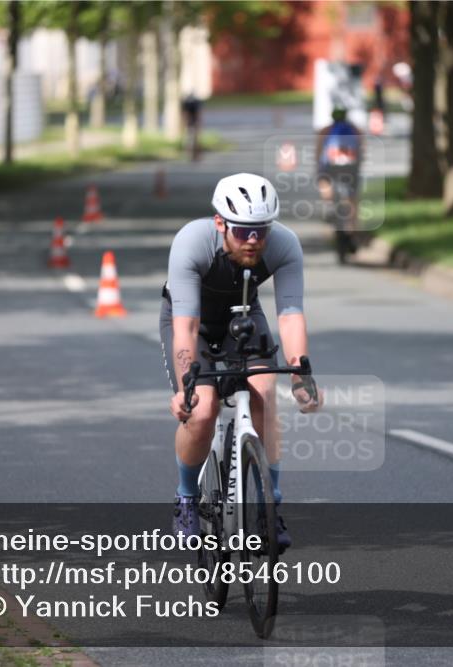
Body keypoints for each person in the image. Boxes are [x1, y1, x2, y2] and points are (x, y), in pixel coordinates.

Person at [161, 173, 322, 549]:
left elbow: (290, 315)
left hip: (243, 317)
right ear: (220, 223)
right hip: (191, 321)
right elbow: (186, 327)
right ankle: (186, 497)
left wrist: (302, 376)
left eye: (261, 231)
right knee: (203, 411)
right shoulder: (191, 242)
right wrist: (188, 386)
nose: (253, 240)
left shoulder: (284, 245)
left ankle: (270, 507)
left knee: (266, 394)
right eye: (242, 230)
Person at [315, 107, 364, 257]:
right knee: (352, 199)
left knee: (323, 179)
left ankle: (329, 204)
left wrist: (318, 168)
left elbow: (318, 151)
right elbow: (361, 150)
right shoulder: (355, 130)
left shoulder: (325, 130)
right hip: (350, 167)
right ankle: (352, 231)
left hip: (330, 166)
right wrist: (357, 166)